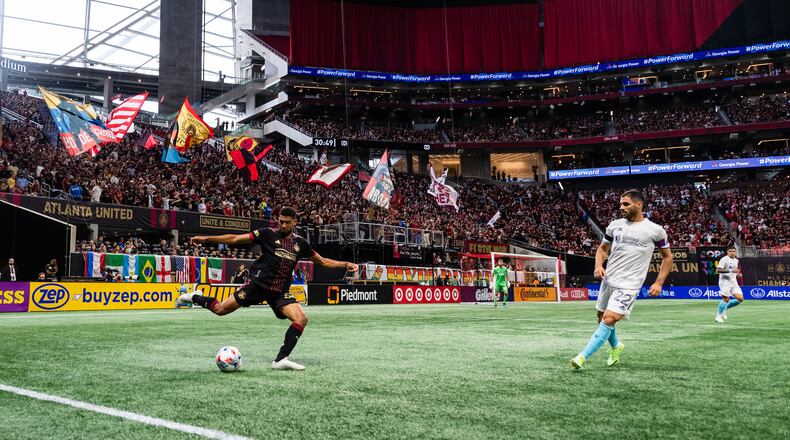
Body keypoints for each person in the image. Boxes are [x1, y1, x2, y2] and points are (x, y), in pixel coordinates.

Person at [177, 206, 358, 371]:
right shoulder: (266, 234)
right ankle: (195, 297)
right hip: (257, 286)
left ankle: (280, 360)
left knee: (301, 319)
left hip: (279, 291)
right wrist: (206, 238)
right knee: (220, 309)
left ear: (295, 222)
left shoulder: (301, 244)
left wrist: (346, 264)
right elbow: (234, 238)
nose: (283, 225)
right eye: (281, 221)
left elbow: (323, 262)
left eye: (288, 222)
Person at [570, 189, 673, 369]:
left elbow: (668, 257)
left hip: (629, 284)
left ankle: (582, 357)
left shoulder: (655, 231)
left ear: (638, 205)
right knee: (601, 318)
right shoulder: (614, 225)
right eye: (620, 204)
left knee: (609, 319)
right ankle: (616, 346)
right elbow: (602, 249)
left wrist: (658, 282)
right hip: (609, 280)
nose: (621, 207)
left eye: (625, 204)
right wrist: (598, 265)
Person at [715, 246, 744, 323]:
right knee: (726, 299)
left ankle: (725, 308)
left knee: (740, 299)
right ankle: (718, 316)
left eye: (733, 251)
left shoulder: (736, 260)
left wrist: (738, 274)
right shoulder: (724, 259)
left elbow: (734, 272)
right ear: (727, 252)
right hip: (725, 282)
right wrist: (731, 270)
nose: (732, 252)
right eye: (730, 251)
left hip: (733, 282)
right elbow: (718, 270)